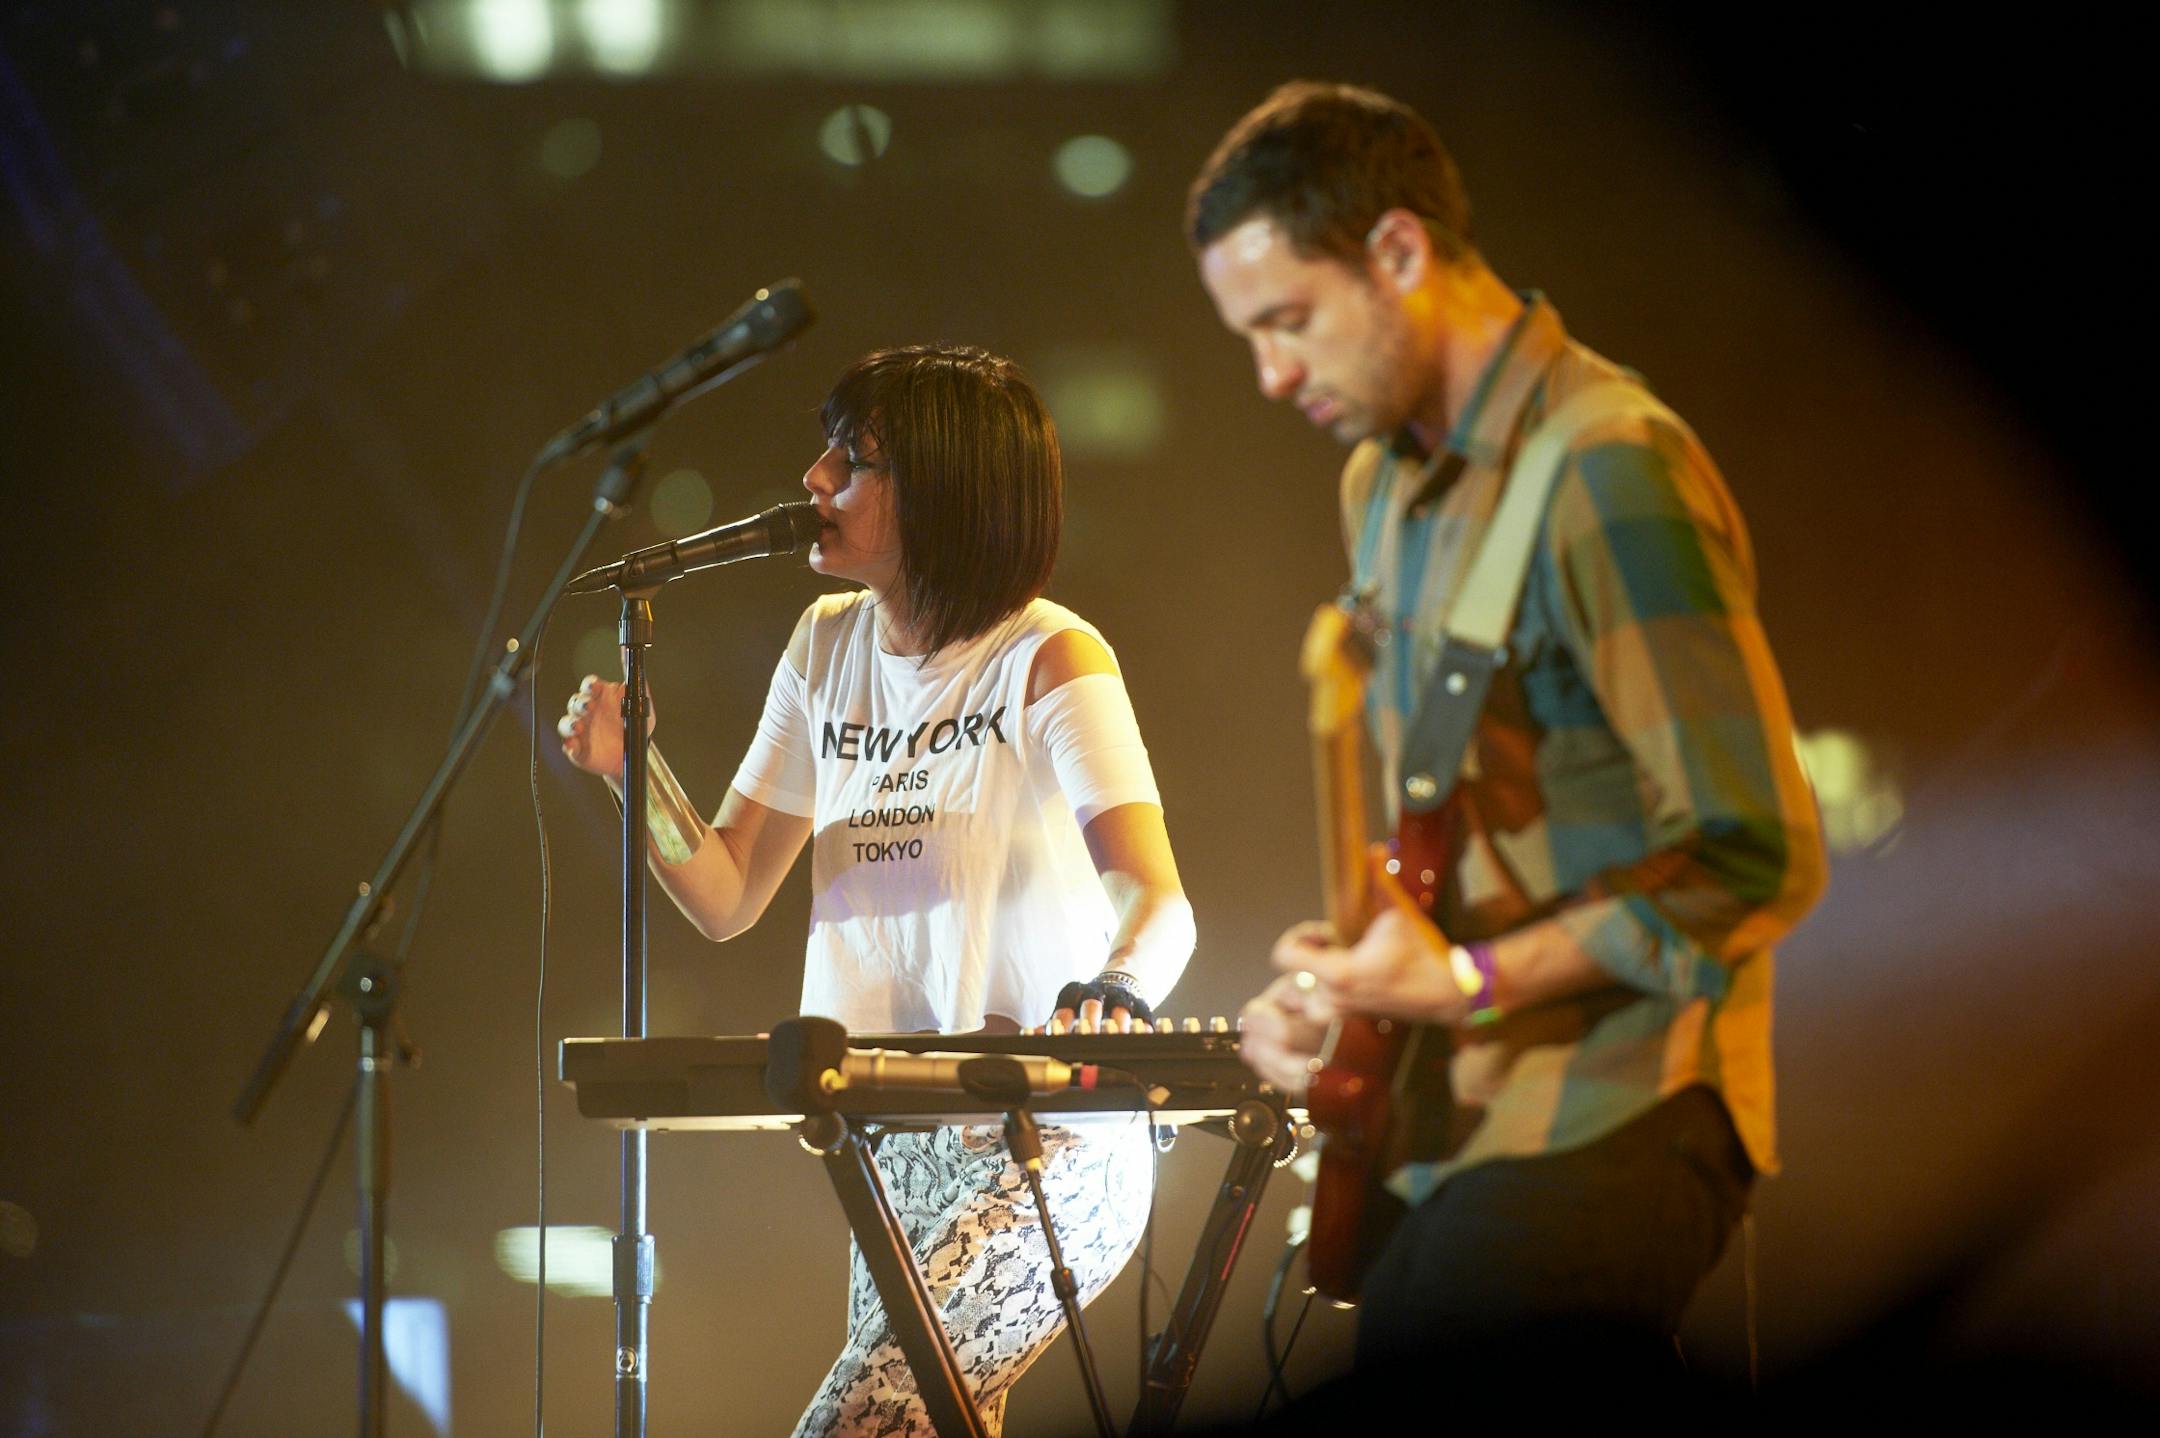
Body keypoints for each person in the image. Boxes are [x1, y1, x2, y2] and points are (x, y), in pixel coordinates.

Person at [1187, 82, 1828, 1405]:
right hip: (1446, 1120)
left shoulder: (1611, 466)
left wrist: (1471, 981)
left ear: (1399, 252)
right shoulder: (1380, 484)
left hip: (1617, 1106)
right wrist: (1353, 996)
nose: (1271, 376)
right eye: (1248, 339)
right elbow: (1456, 830)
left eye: (1289, 321)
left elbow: (1756, 853)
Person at [557, 345, 1196, 1436]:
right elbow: (726, 891)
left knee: (857, 1423)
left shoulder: (1050, 657)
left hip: (1044, 1141)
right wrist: (634, 773)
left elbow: (1157, 900)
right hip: (885, 1138)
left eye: (853, 461)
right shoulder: (825, 647)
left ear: (945, 490)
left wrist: (1117, 988)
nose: (814, 479)